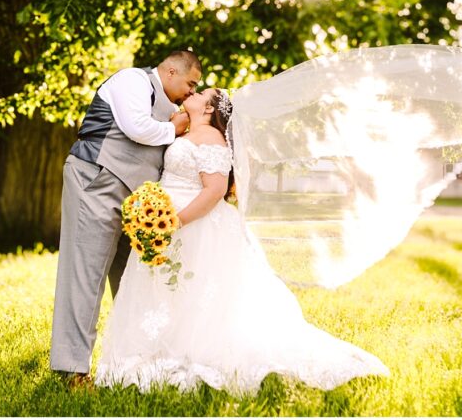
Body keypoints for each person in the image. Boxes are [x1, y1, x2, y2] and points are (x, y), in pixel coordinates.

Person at [95, 89, 390, 393]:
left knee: (197, 293)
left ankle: (191, 352)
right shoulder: (187, 131)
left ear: (209, 109)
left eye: (200, 93)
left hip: (192, 225)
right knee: (171, 291)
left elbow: (214, 190)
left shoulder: (210, 137)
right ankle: (159, 350)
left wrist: (175, 222)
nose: (192, 93)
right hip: (166, 224)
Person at [50, 50, 200, 386]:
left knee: (134, 280)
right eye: (190, 83)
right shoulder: (133, 80)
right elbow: (136, 128)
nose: (191, 92)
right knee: (85, 275)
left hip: (135, 203)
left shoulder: (172, 110)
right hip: (97, 180)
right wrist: (173, 128)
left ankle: (132, 363)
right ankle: (72, 370)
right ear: (172, 70)